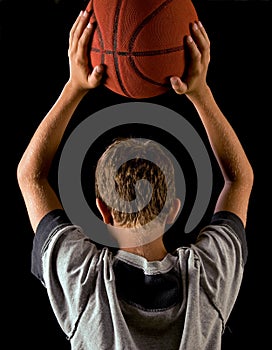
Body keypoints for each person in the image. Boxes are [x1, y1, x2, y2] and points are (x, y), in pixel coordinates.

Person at [17, 8, 254, 350]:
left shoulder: (83, 281)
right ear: (173, 210)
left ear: (103, 209)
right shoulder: (208, 279)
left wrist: (74, 87)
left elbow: (30, 176)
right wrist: (199, 92)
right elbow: (239, 178)